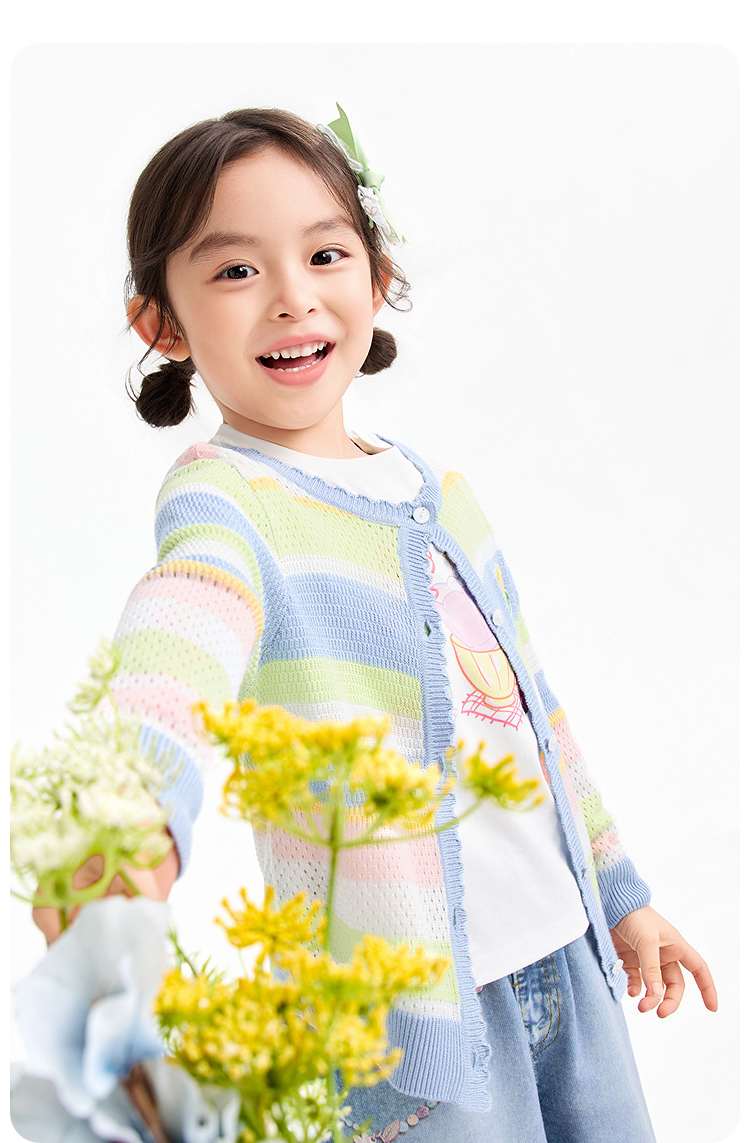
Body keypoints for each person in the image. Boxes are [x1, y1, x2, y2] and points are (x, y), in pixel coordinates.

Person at [34, 106, 717, 1142]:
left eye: (325, 254)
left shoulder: (443, 492)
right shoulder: (228, 503)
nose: (292, 297)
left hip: (569, 962)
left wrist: (620, 891)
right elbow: (180, 632)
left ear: (376, 272)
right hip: (406, 1030)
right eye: (235, 271)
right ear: (160, 325)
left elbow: (537, 718)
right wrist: (128, 808)